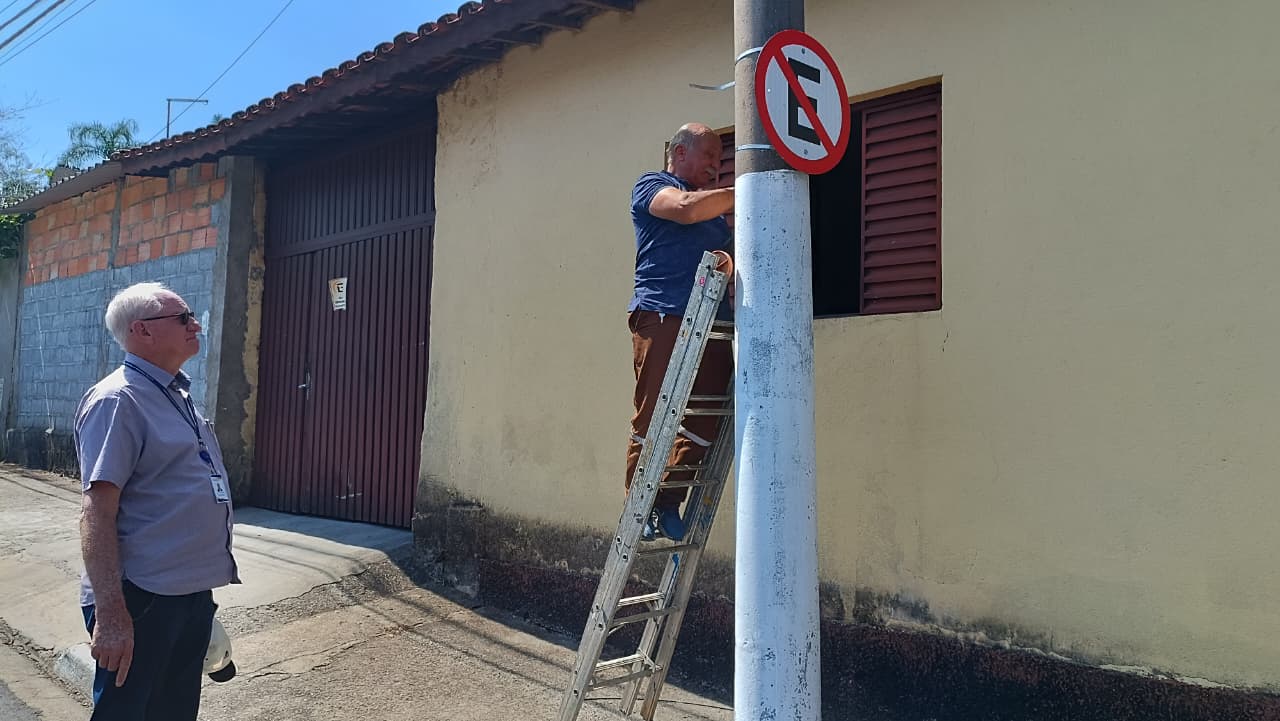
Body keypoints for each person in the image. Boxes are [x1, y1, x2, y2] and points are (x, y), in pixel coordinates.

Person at [76, 282, 239, 721]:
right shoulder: (118, 400)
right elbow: (98, 512)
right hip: (141, 598)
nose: (196, 324)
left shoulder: (176, 394)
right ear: (142, 331)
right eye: (183, 318)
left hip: (185, 594)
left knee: (173, 712)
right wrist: (111, 615)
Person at [626, 122, 736, 542]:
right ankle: (637, 507)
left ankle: (667, 501)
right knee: (655, 413)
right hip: (663, 313)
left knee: (703, 417)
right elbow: (686, 208)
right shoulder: (652, 185)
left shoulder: (716, 216)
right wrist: (747, 189)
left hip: (711, 320)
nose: (716, 164)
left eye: (720, 159)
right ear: (679, 152)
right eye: (709, 155)